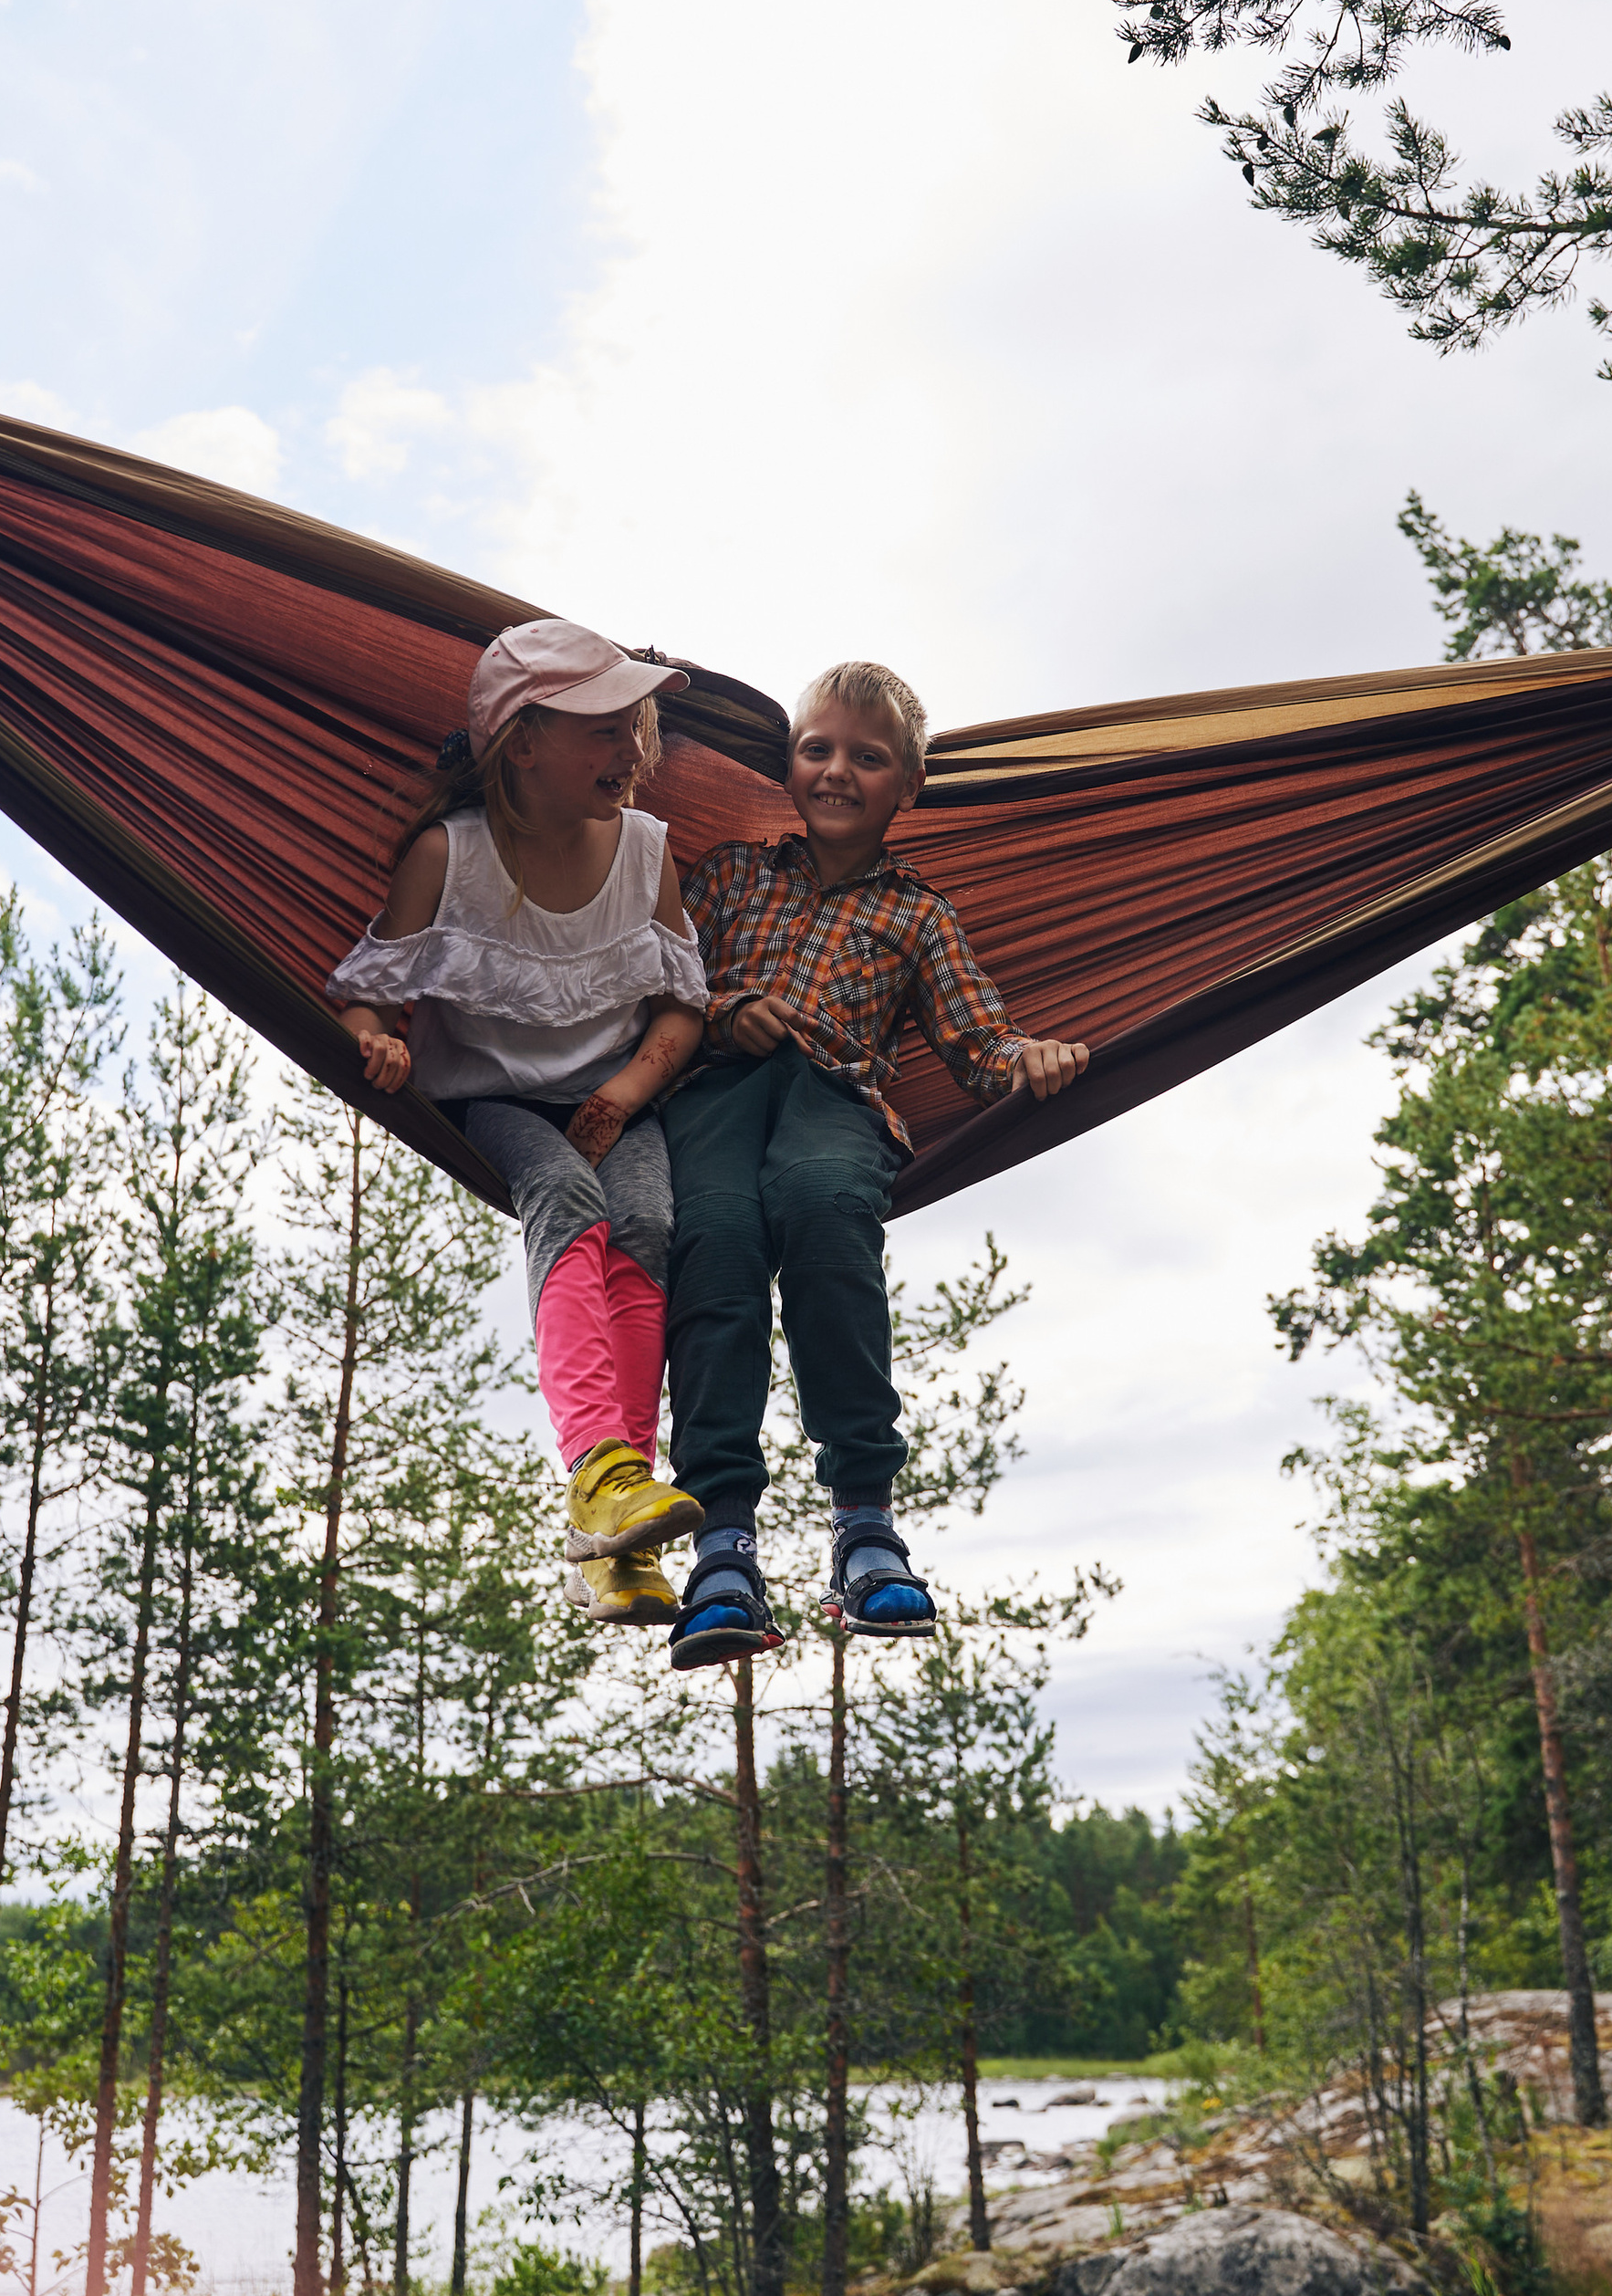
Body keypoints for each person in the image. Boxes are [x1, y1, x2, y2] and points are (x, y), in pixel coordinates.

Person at [662, 660, 1089, 1674]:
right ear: (787, 764)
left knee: (822, 1214)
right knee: (712, 1245)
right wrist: (726, 1010)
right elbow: (655, 985)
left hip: (832, 1102)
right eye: (817, 749)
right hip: (714, 1093)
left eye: (868, 756)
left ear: (909, 787)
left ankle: (864, 1522)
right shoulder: (728, 873)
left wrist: (1033, 1057)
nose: (837, 771)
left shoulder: (918, 915)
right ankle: (722, 1539)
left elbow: (978, 1043)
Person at [328, 618, 709, 1627]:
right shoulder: (447, 859)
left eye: (637, 730)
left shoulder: (646, 852)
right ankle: (599, 1465)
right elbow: (366, 989)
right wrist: (378, 1040)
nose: (631, 753)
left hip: (616, 1094)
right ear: (523, 742)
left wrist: (627, 1092)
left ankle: (614, 1529)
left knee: (650, 1228)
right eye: (604, 730)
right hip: (490, 1096)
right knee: (563, 1198)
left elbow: (682, 1005)